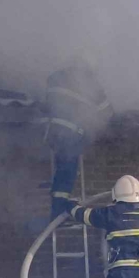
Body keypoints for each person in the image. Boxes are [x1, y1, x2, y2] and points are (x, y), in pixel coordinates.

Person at [45, 54, 113, 219]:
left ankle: (58, 209)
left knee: (62, 171)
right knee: (67, 172)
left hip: (53, 133)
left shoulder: (55, 78)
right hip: (71, 134)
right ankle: (59, 214)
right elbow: (107, 112)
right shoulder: (90, 84)